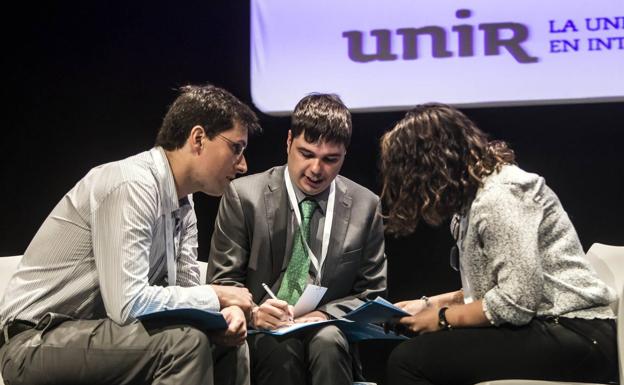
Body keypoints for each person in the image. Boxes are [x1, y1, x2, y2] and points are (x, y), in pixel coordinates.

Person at [0, 84, 261, 385]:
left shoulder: (184, 204)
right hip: (34, 343)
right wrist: (216, 295)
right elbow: (128, 305)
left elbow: (186, 295)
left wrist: (229, 316)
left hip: (103, 338)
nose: (243, 165)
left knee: (227, 342)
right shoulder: (131, 185)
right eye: (236, 148)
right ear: (198, 138)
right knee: (184, 345)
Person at [379, 103, 618, 385]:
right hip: (546, 327)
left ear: (431, 164)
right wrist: (429, 304)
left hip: (577, 335)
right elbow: (500, 289)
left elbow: (517, 301)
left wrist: (442, 318)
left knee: (409, 362)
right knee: (426, 353)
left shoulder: (499, 196)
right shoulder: (473, 199)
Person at [206, 93, 387, 385]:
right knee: (281, 348)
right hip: (261, 334)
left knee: (328, 340)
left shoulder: (365, 205)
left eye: (330, 159)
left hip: (327, 330)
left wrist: (325, 315)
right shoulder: (244, 197)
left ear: (345, 155)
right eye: (306, 154)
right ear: (289, 142)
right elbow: (222, 282)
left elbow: (372, 295)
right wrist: (253, 313)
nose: (316, 170)